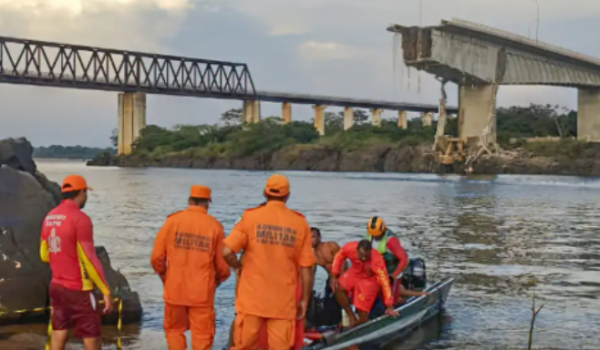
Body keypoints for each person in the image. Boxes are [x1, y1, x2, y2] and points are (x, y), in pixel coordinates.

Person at [223, 174, 315, 350]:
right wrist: (304, 300)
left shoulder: (250, 218)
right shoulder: (299, 223)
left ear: (265, 193)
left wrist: (238, 267)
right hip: (283, 303)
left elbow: (226, 251)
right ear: (287, 196)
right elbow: (306, 268)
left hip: (251, 300)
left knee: (243, 346)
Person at [150, 185, 231, 350]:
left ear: (189, 201)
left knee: (174, 331)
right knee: (202, 336)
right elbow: (222, 267)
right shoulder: (214, 226)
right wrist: (215, 283)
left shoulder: (172, 221)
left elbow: (156, 258)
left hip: (175, 290)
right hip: (201, 293)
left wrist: (166, 277)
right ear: (208, 203)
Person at [40, 175, 113, 350]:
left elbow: (44, 255)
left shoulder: (49, 217)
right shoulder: (81, 219)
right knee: (91, 337)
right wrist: (106, 290)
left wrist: (63, 256)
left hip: (57, 286)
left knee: (59, 330)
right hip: (79, 289)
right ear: (81, 192)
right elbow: (89, 258)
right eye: (85, 193)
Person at [330, 240, 397, 328]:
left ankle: (360, 325)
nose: (363, 259)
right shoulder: (349, 248)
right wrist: (334, 274)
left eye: (366, 256)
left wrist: (389, 305)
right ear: (357, 250)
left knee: (361, 310)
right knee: (338, 288)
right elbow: (339, 256)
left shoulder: (377, 260)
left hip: (369, 278)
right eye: (361, 256)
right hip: (355, 271)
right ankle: (351, 317)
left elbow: (384, 282)